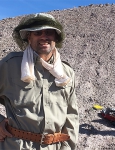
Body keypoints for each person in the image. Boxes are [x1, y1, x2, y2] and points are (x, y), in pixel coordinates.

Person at [0, 13, 79, 150]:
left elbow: (71, 116)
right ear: (29, 37)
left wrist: (68, 147)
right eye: (38, 32)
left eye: (49, 32)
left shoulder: (66, 73)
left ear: (55, 38)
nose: (44, 37)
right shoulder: (9, 65)